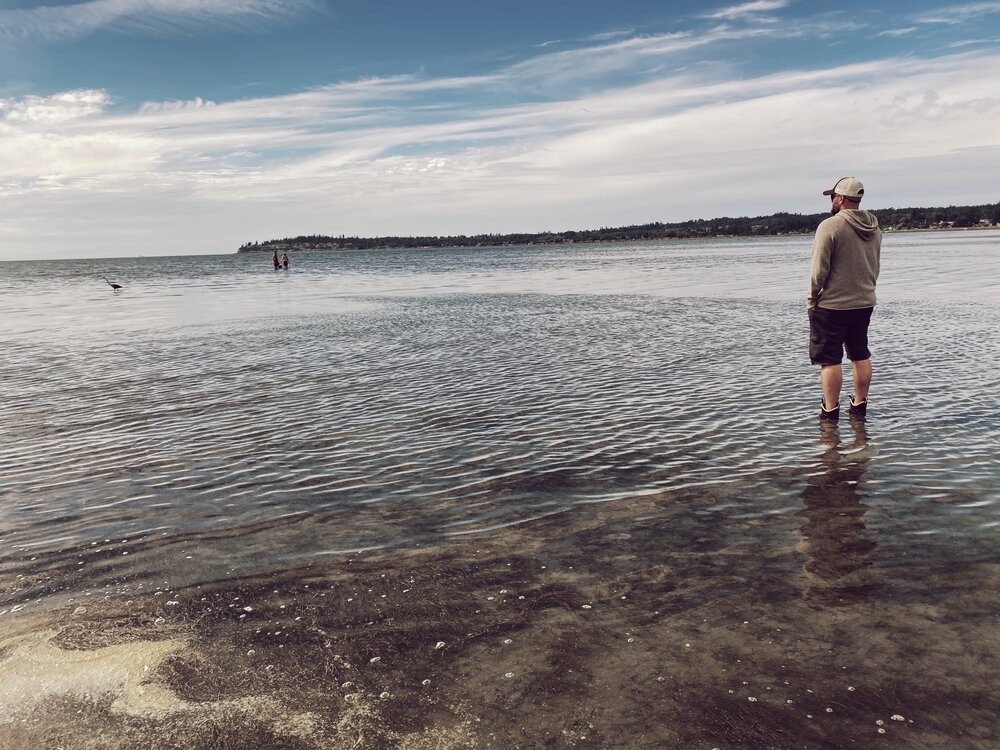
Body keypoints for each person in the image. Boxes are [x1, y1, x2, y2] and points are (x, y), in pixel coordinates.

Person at [808, 176, 881, 422]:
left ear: (840, 199)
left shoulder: (830, 226)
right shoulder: (874, 226)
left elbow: (819, 270)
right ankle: (859, 407)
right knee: (860, 354)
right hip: (864, 301)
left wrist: (812, 299)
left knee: (830, 360)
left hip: (833, 305)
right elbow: (876, 265)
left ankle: (830, 412)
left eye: (833, 196)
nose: (832, 200)